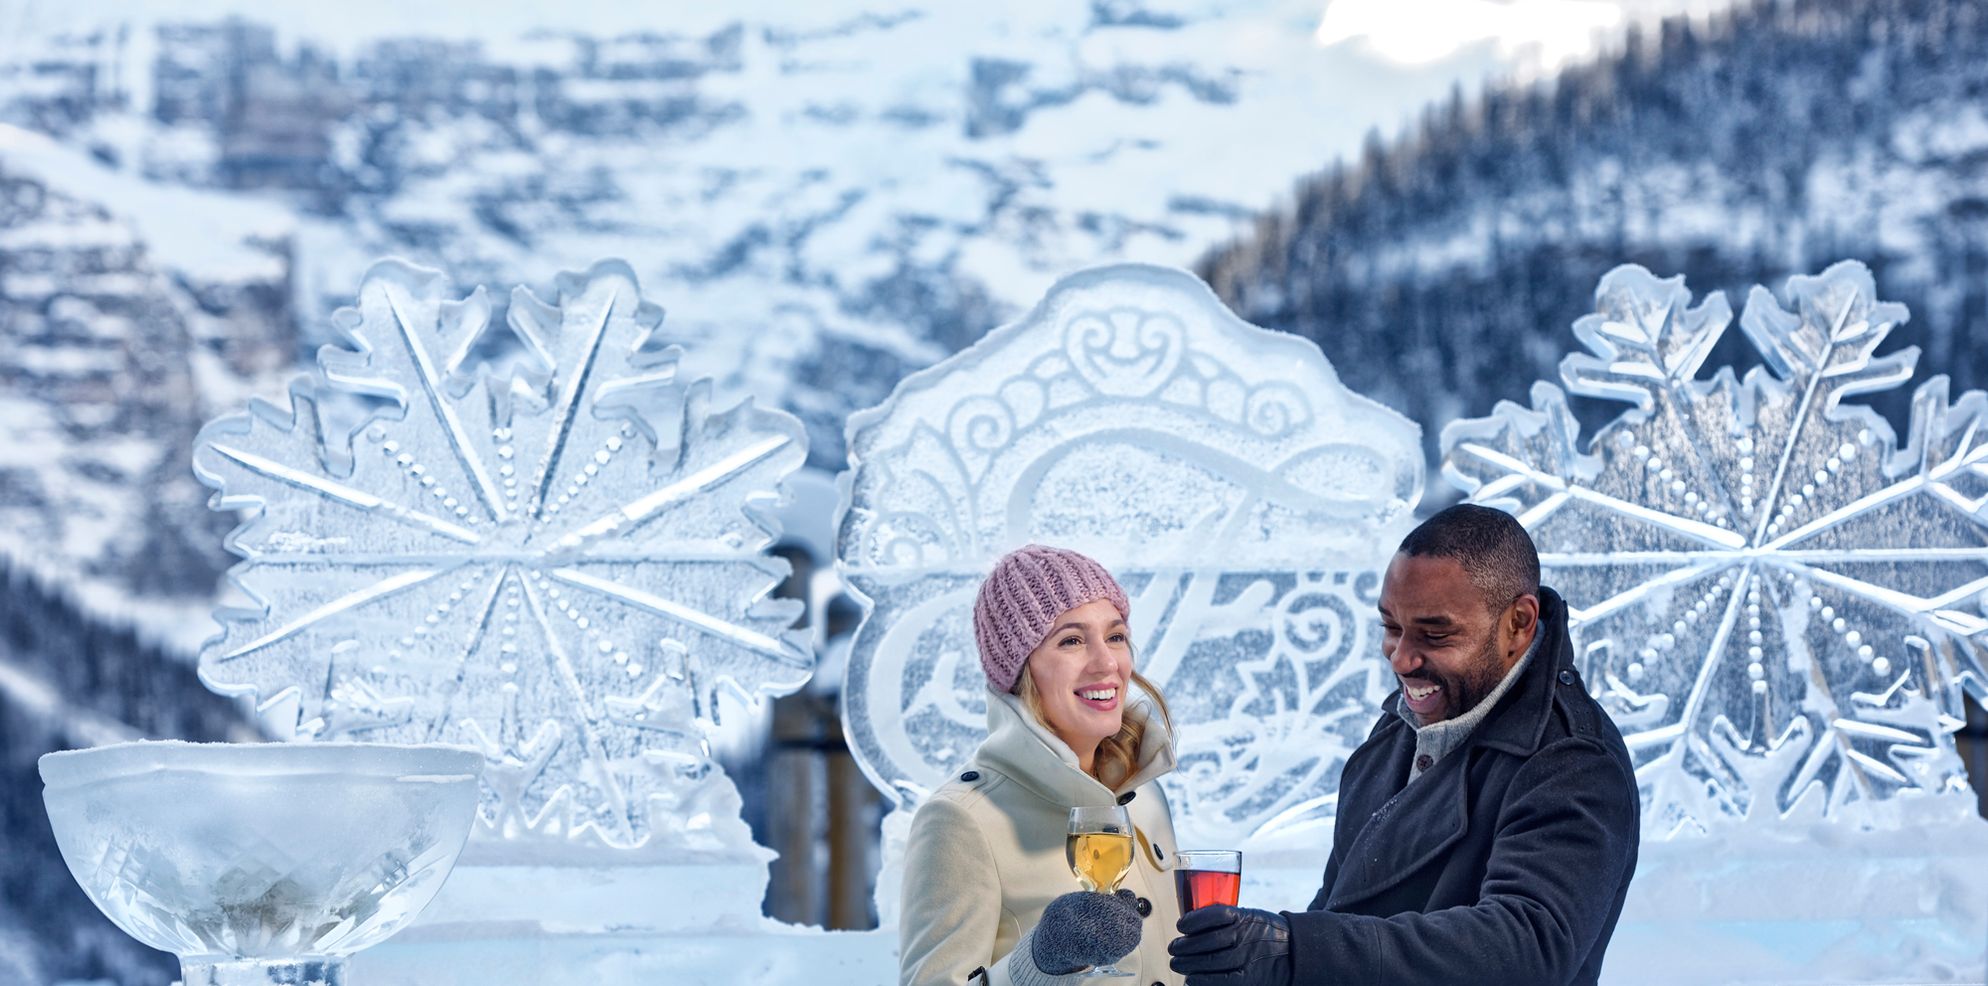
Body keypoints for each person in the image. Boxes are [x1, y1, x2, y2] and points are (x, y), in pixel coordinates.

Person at [1169, 504, 1640, 986]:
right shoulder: (1400, 727)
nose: (1402, 658)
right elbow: (1339, 910)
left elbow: (1524, 948)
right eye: (1391, 628)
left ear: (1518, 623)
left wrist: (1296, 950)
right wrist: (1264, 957)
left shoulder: (1574, 761)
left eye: (1435, 634)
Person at [901, 544, 1186, 986]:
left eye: (1115, 636)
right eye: (1071, 640)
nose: (1107, 662)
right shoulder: (961, 819)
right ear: (1021, 672)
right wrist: (1037, 963)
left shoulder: (1144, 795)